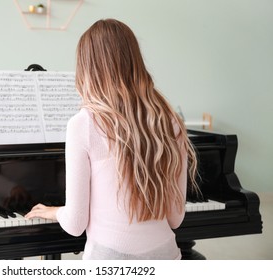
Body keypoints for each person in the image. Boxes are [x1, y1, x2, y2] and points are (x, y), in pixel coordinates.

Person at [25, 18, 199, 260]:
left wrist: (55, 212)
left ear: (88, 68)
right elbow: (176, 218)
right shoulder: (170, 120)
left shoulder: (83, 123)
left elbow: (75, 225)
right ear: (135, 62)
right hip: (167, 256)